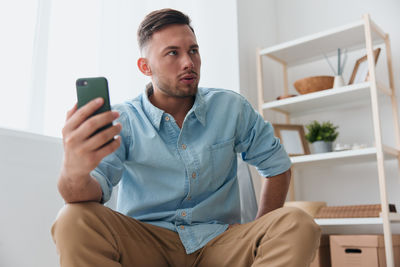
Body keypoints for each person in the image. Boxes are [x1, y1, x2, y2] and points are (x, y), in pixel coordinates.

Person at [51, 8, 320, 267]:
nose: (188, 62)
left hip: (219, 241)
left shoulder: (231, 107)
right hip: (146, 242)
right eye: (172, 53)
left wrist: (261, 231)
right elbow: (81, 195)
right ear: (145, 67)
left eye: (193, 50)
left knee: (298, 222)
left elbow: (278, 166)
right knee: (72, 217)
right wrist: (73, 169)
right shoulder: (123, 120)